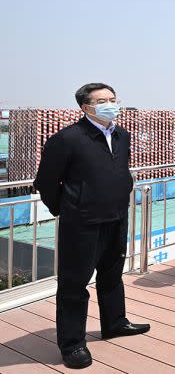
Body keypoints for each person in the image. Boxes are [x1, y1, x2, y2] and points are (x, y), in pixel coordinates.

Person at [34, 83, 150, 369]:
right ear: (86, 107)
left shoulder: (122, 135)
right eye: (103, 100)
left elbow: (119, 171)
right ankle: (72, 344)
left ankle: (115, 323)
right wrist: (66, 208)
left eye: (113, 99)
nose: (111, 104)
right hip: (81, 222)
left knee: (112, 275)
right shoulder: (67, 138)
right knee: (74, 284)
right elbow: (46, 182)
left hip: (116, 217)